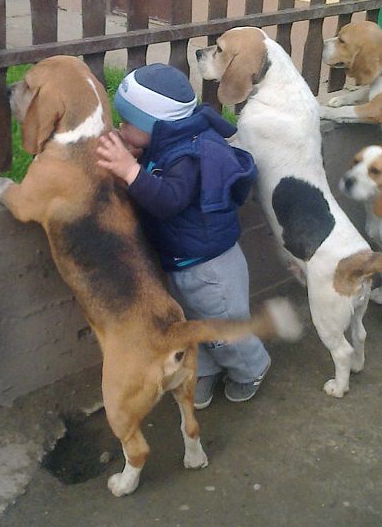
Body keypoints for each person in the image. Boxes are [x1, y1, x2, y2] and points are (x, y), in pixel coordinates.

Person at [96, 63, 271, 409]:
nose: (122, 128)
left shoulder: (189, 156)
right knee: (191, 324)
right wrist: (139, 160)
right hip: (182, 261)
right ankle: (203, 370)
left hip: (210, 270)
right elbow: (158, 174)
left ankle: (251, 368)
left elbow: (168, 200)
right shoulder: (170, 142)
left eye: (130, 123)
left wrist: (130, 171)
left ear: (155, 126)